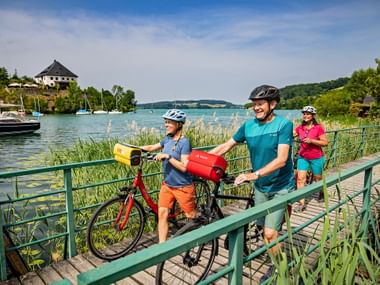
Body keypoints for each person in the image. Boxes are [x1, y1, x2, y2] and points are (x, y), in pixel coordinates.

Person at [209, 84, 294, 283]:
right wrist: (199, 158)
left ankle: (280, 270)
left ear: (272, 104)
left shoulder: (284, 125)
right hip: (261, 187)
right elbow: (226, 146)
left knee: (270, 234)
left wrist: (253, 175)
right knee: (263, 230)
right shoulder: (248, 126)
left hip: (281, 186)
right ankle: (271, 245)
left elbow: (282, 159)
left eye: (260, 104)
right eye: (254, 104)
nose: (256, 108)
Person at [141, 109, 197, 243]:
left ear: (178, 124)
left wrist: (168, 157)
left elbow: (184, 167)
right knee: (162, 214)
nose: (166, 125)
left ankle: (201, 238)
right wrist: (134, 148)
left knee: (192, 217)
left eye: (169, 122)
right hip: (167, 185)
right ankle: (162, 247)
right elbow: (151, 147)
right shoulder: (167, 139)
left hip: (182, 186)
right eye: (165, 122)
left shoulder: (184, 143)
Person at [293, 106, 328, 211]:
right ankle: (301, 203)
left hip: (316, 157)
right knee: (300, 179)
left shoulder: (318, 128)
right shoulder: (300, 128)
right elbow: (291, 135)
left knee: (318, 179)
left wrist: (312, 141)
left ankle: (321, 191)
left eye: (308, 114)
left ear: (313, 116)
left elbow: (325, 143)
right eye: (304, 114)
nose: (305, 116)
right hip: (302, 157)